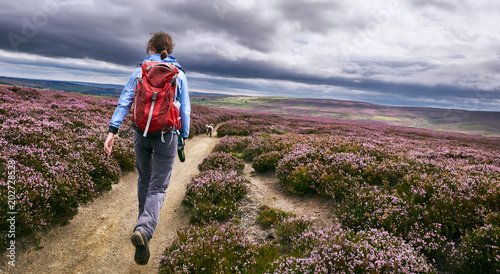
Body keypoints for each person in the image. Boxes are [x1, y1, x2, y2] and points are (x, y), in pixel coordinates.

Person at [103, 31, 190, 265]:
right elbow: (185, 110)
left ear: (150, 47)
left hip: (140, 133)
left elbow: (125, 101)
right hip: (166, 136)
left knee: (144, 180)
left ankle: (141, 225)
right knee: (158, 187)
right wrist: (184, 135)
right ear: (170, 50)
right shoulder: (178, 74)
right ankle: (144, 228)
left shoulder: (140, 71)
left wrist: (112, 130)